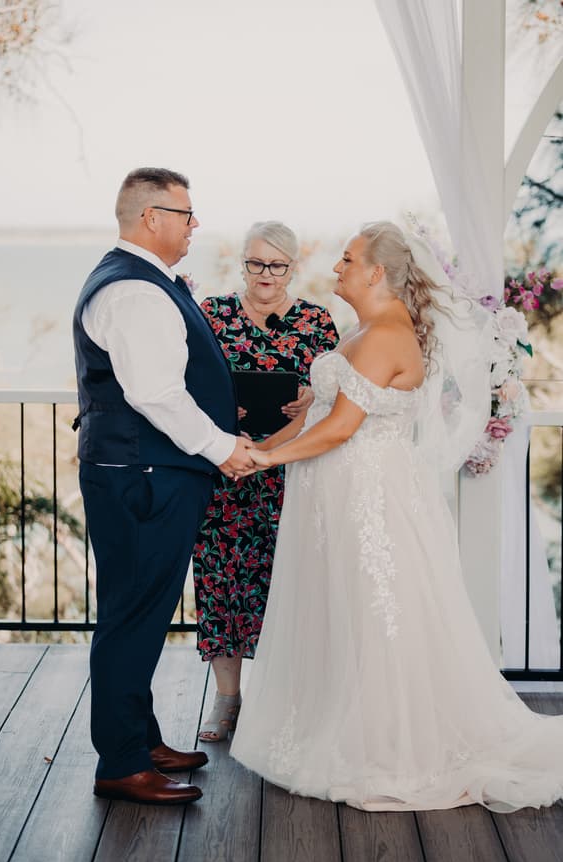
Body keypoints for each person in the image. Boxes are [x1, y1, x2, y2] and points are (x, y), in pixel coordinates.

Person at [231, 221, 563, 813]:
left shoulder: (385, 334)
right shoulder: (363, 329)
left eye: (347, 257)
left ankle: (387, 746)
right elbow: (320, 415)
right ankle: (333, 726)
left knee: (375, 612)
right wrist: (258, 446)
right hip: (335, 495)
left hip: (369, 499)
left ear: (376, 272)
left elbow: (340, 428)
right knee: (341, 610)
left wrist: (264, 463)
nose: (336, 266)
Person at [73, 167, 255, 806]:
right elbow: (154, 393)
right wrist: (223, 448)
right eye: (185, 213)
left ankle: (140, 738)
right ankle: (122, 763)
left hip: (141, 472)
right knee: (133, 616)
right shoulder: (135, 293)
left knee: (140, 614)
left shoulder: (140, 282)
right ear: (151, 217)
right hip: (145, 476)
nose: (194, 223)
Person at [193, 221, 339, 742]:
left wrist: (307, 401)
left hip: (290, 471)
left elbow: (332, 396)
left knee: (288, 583)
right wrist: (218, 408)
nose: (266, 275)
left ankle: (290, 703)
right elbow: (188, 383)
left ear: (293, 267)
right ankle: (227, 701)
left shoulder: (317, 322)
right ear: (243, 263)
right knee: (221, 584)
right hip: (225, 469)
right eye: (257, 263)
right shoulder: (211, 315)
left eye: (277, 265)